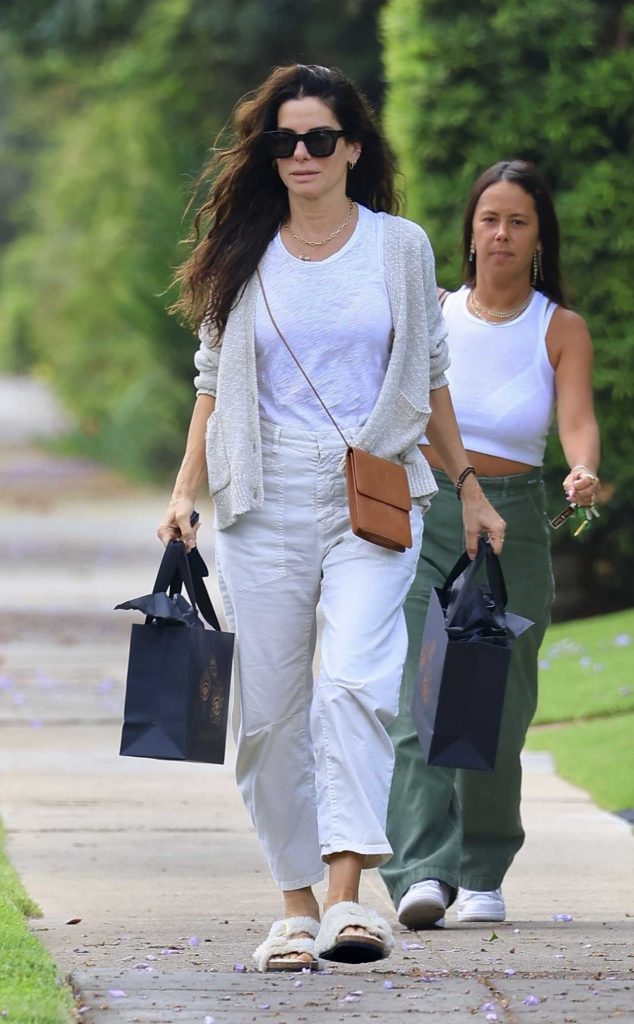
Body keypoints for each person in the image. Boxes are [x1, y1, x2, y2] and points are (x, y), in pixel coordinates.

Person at [157, 63, 504, 971]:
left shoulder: (400, 247)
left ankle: (351, 899)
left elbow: (429, 378)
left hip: (373, 494)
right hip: (258, 496)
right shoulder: (244, 250)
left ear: (352, 146)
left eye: (318, 138)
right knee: (268, 714)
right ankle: (294, 907)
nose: (301, 154)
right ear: (269, 153)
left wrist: (467, 485)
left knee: (356, 680)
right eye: (284, 140)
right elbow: (210, 383)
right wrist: (183, 490)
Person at [381, 159, 600, 929]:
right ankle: (421, 871)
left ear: (539, 238)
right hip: (432, 512)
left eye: (518, 222)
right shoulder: (436, 312)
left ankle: (481, 870)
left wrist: (582, 469)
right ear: (469, 232)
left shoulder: (558, 328)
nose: (501, 234)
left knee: (499, 707)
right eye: (489, 219)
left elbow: (575, 420)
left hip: (516, 525)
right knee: (422, 696)